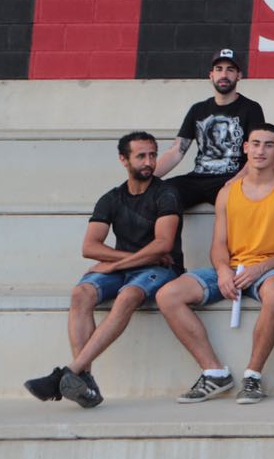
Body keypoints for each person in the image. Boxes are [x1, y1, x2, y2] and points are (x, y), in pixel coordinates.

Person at [25, 132, 183, 408]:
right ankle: (83, 381)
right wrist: (129, 259)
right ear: (124, 160)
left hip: (162, 270)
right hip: (135, 265)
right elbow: (89, 247)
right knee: (80, 293)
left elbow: (163, 245)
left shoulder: (166, 193)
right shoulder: (111, 198)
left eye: (153, 155)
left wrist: (118, 263)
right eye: (141, 156)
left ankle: (70, 373)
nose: (149, 162)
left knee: (128, 295)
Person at [156, 123, 274, 404]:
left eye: (269, 145)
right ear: (245, 148)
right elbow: (218, 244)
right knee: (168, 295)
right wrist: (224, 270)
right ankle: (214, 372)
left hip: (271, 268)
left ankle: (253, 376)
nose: (261, 150)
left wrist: (260, 268)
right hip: (232, 267)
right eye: (256, 144)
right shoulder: (227, 192)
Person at [155, 49, 267, 210]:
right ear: (211, 75)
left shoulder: (251, 108)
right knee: (159, 196)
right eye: (219, 69)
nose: (224, 75)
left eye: (230, 70)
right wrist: (147, 179)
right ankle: (165, 236)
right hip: (198, 177)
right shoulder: (198, 109)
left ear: (239, 76)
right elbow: (176, 151)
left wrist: (240, 178)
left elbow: (256, 151)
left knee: (240, 204)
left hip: (231, 177)